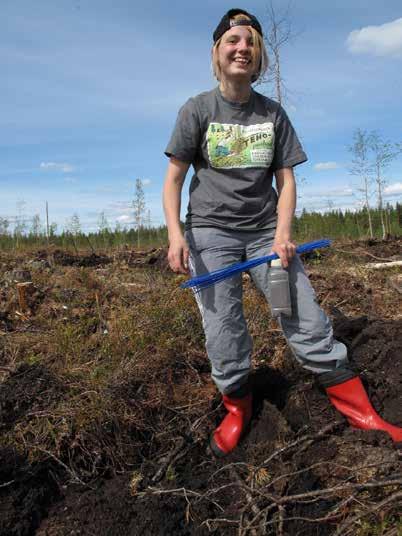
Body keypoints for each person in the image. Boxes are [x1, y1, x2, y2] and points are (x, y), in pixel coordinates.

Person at [162, 8, 402, 456]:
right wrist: (177, 234)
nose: (242, 48)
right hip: (211, 234)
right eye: (233, 40)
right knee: (224, 328)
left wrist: (281, 234)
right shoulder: (196, 110)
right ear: (217, 51)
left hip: (264, 234)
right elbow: (173, 179)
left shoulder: (272, 114)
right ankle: (237, 410)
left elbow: (286, 181)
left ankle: (361, 413)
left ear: (258, 57)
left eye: (250, 42)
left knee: (301, 314)